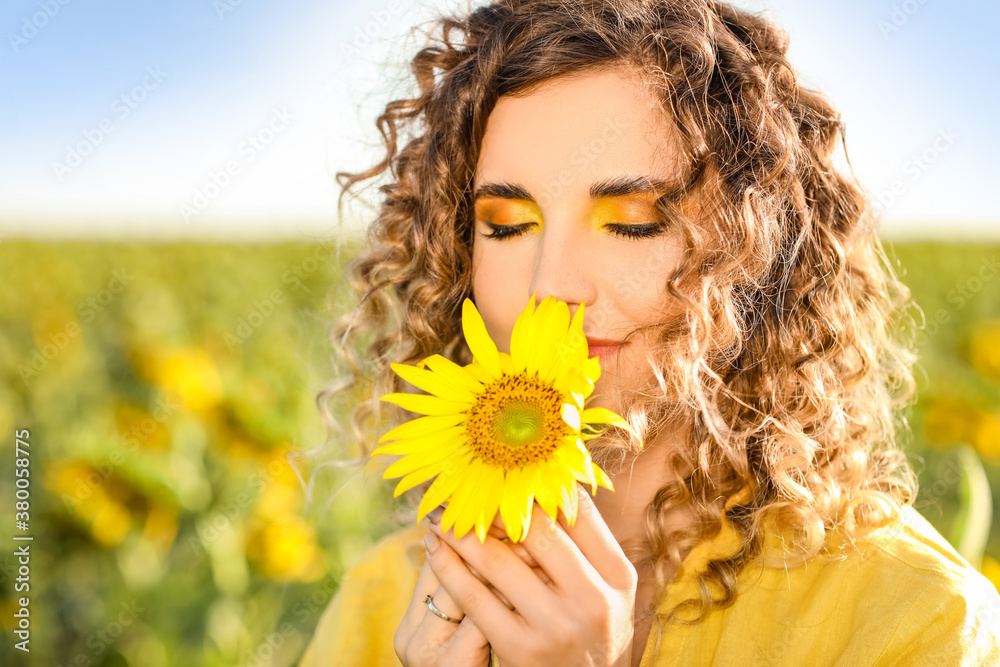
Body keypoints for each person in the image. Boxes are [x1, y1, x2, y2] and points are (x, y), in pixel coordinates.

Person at [299, 1, 1000, 665]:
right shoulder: (384, 601)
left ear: (750, 246)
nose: (551, 286)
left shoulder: (911, 617)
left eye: (632, 219)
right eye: (507, 226)